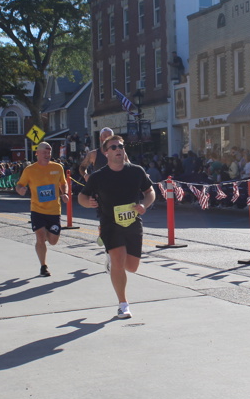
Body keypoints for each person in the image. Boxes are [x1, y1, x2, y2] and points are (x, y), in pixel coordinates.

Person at [78, 135, 156, 319]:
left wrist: (144, 204)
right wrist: (88, 203)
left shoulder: (136, 171)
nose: (118, 149)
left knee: (132, 267)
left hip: (132, 223)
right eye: (113, 147)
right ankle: (123, 305)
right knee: (119, 261)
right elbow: (82, 196)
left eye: (120, 146)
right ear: (106, 153)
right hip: (110, 224)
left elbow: (150, 191)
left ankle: (113, 263)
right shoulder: (98, 176)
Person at [15, 142, 69, 277]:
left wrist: (65, 193)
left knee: (53, 241)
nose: (47, 155)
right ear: (37, 153)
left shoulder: (57, 167)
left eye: (49, 152)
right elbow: (19, 184)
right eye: (44, 152)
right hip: (37, 210)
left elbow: (63, 183)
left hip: (54, 210)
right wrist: (20, 189)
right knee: (40, 237)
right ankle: (43, 266)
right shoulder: (30, 170)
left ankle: (45, 235)